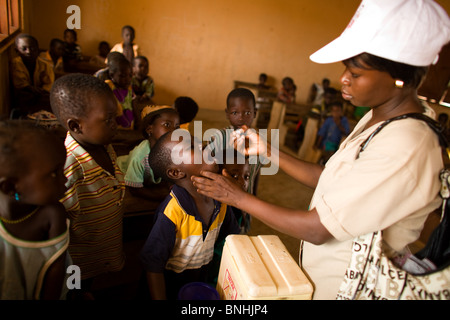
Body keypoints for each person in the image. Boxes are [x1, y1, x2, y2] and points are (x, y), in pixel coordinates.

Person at [192, 0, 450, 300]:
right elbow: (329, 177)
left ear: (399, 78)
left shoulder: (407, 144)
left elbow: (317, 229)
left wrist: (236, 196)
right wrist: (267, 150)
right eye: (346, 68)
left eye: (356, 73)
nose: (343, 78)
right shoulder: (377, 116)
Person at [50, 73, 126, 300]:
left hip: (99, 251)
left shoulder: (102, 144)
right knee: (74, 289)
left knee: (88, 284)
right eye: (108, 119)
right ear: (76, 125)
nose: (117, 124)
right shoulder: (70, 166)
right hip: (78, 260)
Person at [140, 131, 240, 300]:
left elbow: (234, 239)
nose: (205, 146)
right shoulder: (172, 212)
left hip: (198, 284)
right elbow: (153, 266)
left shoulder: (221, 200)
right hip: (168, 287)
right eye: (192, 147)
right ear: (176, 172)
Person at [0, 120, 69, 300]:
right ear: (10, 187)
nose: (65, 181)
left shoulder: (52, 214)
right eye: (55, 173)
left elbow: (56, 271)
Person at [206, 87, 262, 232]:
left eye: (247, 112)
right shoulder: (219, 138)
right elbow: (205, 166)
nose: (241, 117)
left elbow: (256, 172)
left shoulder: (259, 142)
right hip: (220, 199)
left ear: (255, 113)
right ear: (227, 113)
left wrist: (254, 196)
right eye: (235, 112)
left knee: (239, 231)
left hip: (245, 200)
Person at [117, 105, 180, 201]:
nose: (173, 131)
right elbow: (135, 190)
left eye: (177, 127)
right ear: (149, 129)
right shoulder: (140, 156)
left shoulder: (170, 150)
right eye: (167, 125)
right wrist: (163, 198)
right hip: (120, 171)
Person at [11, 33, 54, 117]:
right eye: (24, 49)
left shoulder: (45, 65)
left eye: (32, 48)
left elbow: (49, 83)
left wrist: (41, 91)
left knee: (49, 99)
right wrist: (32, 89)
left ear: (38, 50)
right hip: (26, 94)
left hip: (41, 94)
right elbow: (20, 84)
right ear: (17, 51)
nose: (29, 51)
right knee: (24, 96)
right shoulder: (16, 63)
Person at [105, 57, 135, 130]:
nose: (128, 79)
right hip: (114, 129)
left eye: (130, 75)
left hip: (129, 128)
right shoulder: (108, 86)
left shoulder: (129, 88)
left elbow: (133, 104)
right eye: (123, 76)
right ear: (112, 75)